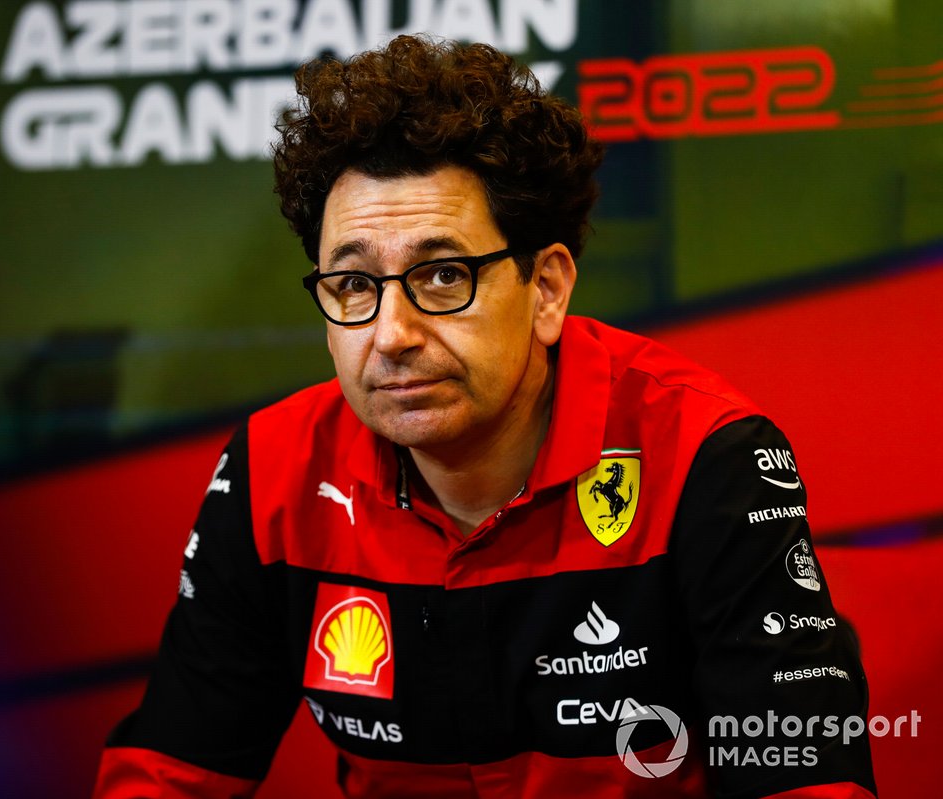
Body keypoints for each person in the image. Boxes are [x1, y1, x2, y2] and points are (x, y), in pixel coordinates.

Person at [93, 35, 877, 799]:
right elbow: (172, 767)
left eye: (442, 276)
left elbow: (804, 772)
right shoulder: (275, 469)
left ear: (547, 290)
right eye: (353, 285)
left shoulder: (706, 455)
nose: (391, 335)